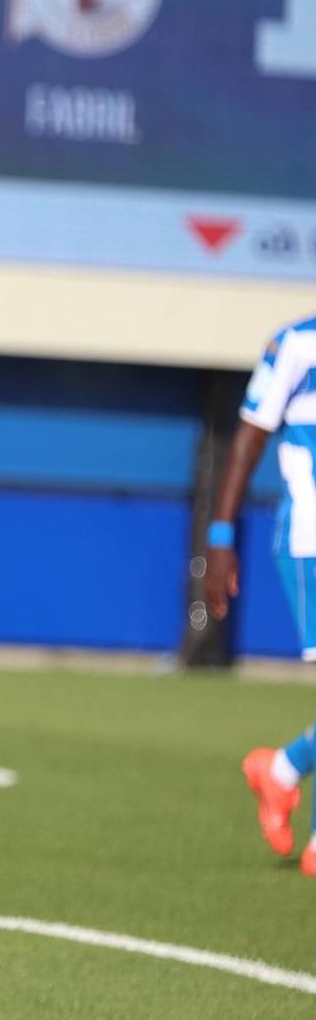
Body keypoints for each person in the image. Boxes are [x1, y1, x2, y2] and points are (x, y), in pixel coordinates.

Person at [218, 314, 316, 871]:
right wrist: (219, 538)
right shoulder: (298, 343)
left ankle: (279, 771)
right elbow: (249, 436)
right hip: (310, 540)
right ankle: (280, 772)